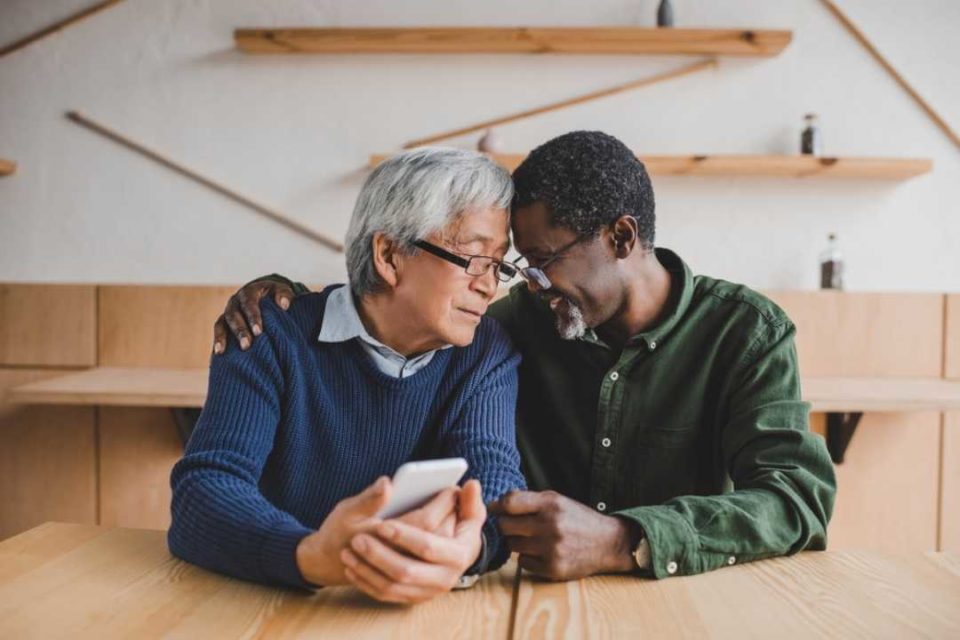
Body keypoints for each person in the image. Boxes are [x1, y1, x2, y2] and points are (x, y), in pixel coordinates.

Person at [212, 131, 836, 587]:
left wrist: (627, 539)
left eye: (537, 262)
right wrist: (277, 299)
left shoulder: (745, 332)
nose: (516, 285)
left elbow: (797, 500)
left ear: (621, 239)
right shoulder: (507, 326)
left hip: (684, 603)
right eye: (512, 265)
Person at [168, 147, 526, 604]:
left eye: (497, 264)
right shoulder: (270, 334)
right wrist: (310, 555)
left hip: (414, 610)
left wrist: (469, 548)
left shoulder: (485, 351)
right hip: (268, 602)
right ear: (390, 255)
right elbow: (205, 491)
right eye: (473, 258)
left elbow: (495, 481)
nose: (489, 285)